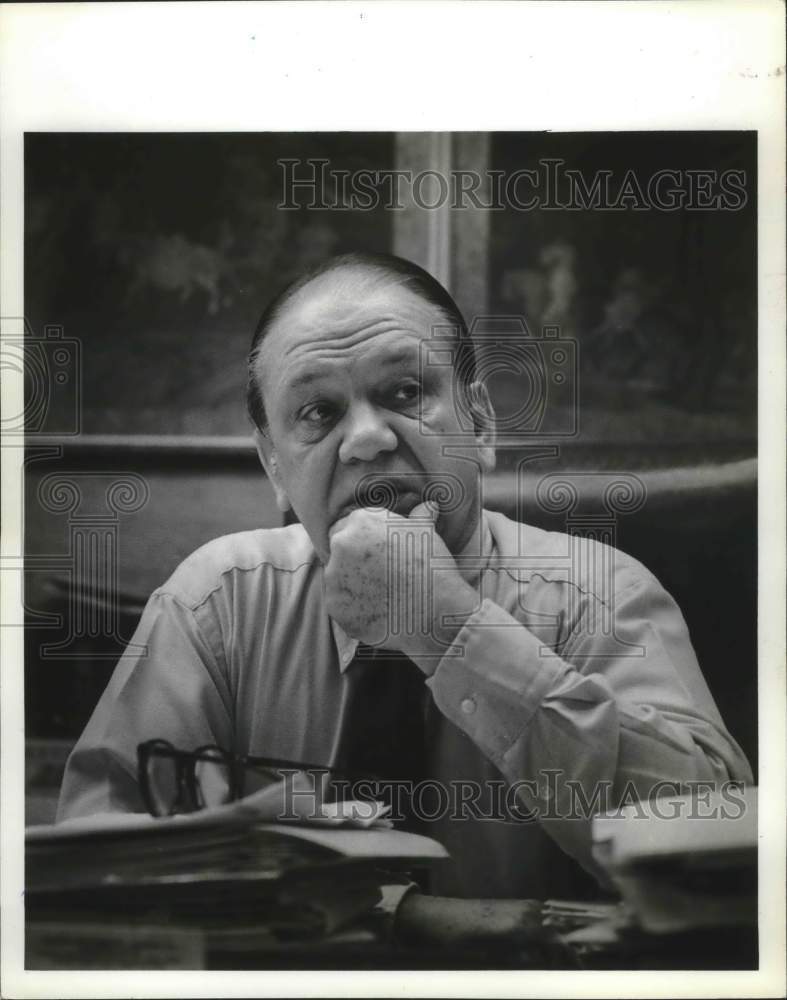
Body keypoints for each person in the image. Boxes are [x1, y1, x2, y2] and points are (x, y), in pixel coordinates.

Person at [57, 252, 752, 900]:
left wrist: (446, 628)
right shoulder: (214, 605)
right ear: (274, 467)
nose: (366, 439)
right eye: (318, 412)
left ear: (480, 425)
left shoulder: (601, 596)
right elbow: (95, 874)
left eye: (405, 391)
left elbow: (710, 860)